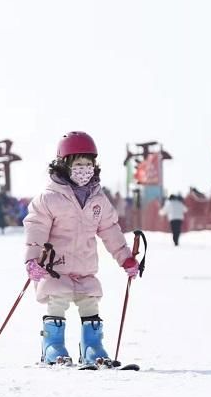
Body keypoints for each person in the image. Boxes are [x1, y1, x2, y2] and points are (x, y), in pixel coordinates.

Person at [23, 131, 139, 365]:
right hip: (55, 267)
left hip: (86, 267)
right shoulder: (49, 198)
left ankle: (92, 347)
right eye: (78, 165)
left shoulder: (98, 199)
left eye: (88, 164)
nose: (84, 170)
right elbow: (36, 230)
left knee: (90, 301)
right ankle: (53, 346)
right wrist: (33, 261)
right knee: (57, 299)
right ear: (64, 165)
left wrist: (126, 259)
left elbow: (111, 231)